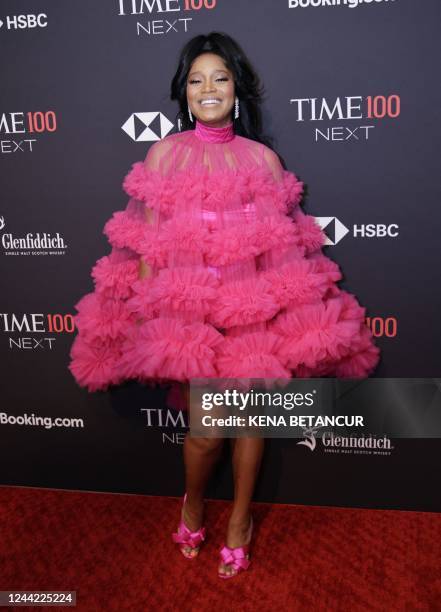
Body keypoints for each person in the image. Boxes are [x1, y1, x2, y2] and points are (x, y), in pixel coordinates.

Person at [68, 32, 380, 579]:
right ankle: (192, 502)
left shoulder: (262, 159)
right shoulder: (163, 154)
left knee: (248, 421)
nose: (208, 88)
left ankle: (239, 521)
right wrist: (150, 311)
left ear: (237, 89)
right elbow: (149, 244)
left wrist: (283, 313)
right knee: (206, 431)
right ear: (184, 94)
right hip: (186, 314)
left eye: (219, 77)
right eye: (196, 80)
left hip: (247, 310)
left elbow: (280, 248)